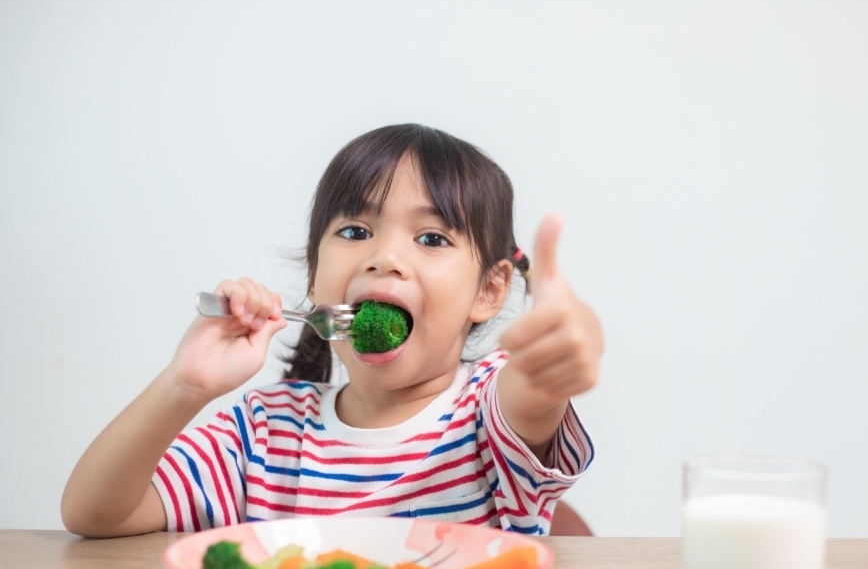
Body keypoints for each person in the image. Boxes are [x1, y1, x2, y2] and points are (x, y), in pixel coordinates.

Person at [62, 124, 602, 538]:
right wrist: (185, 386)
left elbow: (539, 386)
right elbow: (94, 514)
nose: (385, 256)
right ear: (315, 278)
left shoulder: (490, 410)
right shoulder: (264, 434)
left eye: (432, 238)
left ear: (489, 290)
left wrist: (565, 338)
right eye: (355, 230)